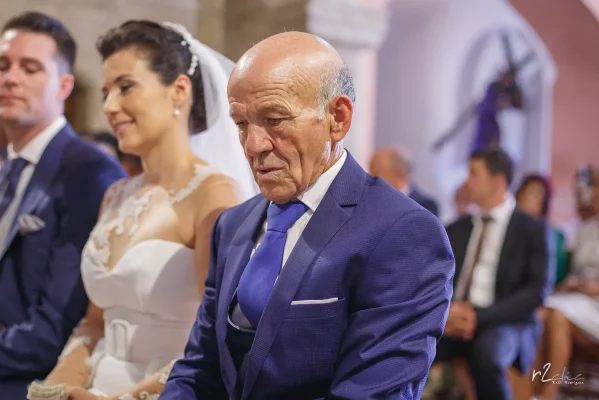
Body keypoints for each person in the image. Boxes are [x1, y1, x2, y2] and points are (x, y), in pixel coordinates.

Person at [161, 31, 455, 400]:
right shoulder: (232, 225)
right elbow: (200, 365)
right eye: (241, 123)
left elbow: (371, 392)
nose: (253, 145)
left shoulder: (403, 233)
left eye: (274, 119)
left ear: (338, 118)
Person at [26, 20, 251, 400]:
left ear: (178, 91)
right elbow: (95, 321)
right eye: (105, 93)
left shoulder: (215, 197)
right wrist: (60, 385)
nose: (110, 107)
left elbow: (213, 338)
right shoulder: (115, 195)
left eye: (125, 87)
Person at [0, 12, 125, 398]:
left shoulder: (88, 171)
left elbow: (59, 323)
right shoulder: (8, 167)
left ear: (65, 84)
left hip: (28, 379)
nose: (10, 77)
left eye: (31, 67)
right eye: (3, 65)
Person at [437, 148, 549, 400]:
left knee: (488, 356)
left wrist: (479, 316)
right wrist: (448, 313)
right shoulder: (456, 228)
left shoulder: (532, 229)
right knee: (406, 343)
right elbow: (436, 280)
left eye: (473, 174)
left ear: (498, 181)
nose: (466, 181)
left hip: (505, 319)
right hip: (455, 317)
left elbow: (537, 291)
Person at [537, 167, 599, 400]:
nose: (592, 195)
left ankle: (549, 392)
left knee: (557, 315)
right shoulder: (585, 230)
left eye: (597, 190)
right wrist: (572, 283)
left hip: (595, 304)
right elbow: (574, 270)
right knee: (538, 314)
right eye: (593, 190)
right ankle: (527, 390)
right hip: (578, 299)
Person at [516, 174, 568, 286]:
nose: (527, 197)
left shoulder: (554, 235)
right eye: (525, 191)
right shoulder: (506, 230)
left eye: (536, 193)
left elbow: (558, 276)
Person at [369, 146, 439, 216]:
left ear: (401, 174)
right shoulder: (370, 203)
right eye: (371, 173)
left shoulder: (425, 206)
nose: (372, 179)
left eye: (376, 173)